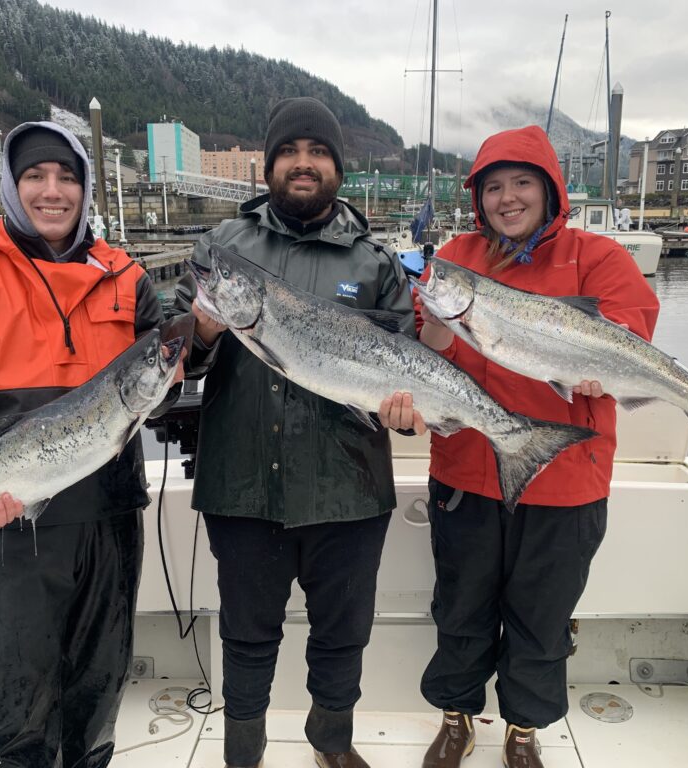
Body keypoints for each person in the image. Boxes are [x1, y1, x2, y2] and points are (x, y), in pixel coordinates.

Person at [0, 121, 182, 768]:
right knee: (15, 704)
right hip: (14, 527)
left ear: (87, 189)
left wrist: (176, 373)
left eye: (68, 176)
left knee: (98, 687)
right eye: (36, 174)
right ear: (11, 182)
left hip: (111, 518)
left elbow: (161, 392)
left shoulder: (129, 279)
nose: (52, 191)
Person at [178, 96, 420, 768]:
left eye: (318, 152)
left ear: (338, 168)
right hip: (242, 484)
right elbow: (171, 362)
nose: (304, 163)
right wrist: (198, 333)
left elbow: (407, 363)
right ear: (269, 165)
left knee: (343, 635)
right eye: (290, 152)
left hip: (348, 489)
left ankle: (331, 742)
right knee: (246, 635)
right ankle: (243, 751)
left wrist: (403, 412)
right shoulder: (220, 250)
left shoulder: (375, 263)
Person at [414, 125, 659, 768]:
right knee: (461, 605)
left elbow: (630, 331)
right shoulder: (456, 257)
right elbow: (427, 349)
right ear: (478, 199)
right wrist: (438, 322)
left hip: (566, 475)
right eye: (493, 187)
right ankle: (458, 716)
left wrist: (595, 360)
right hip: (468, 470)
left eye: (522, 182)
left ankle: (523, 730)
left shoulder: (600, 257)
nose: (508, 198)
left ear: (550, 190)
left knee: (542, 614)